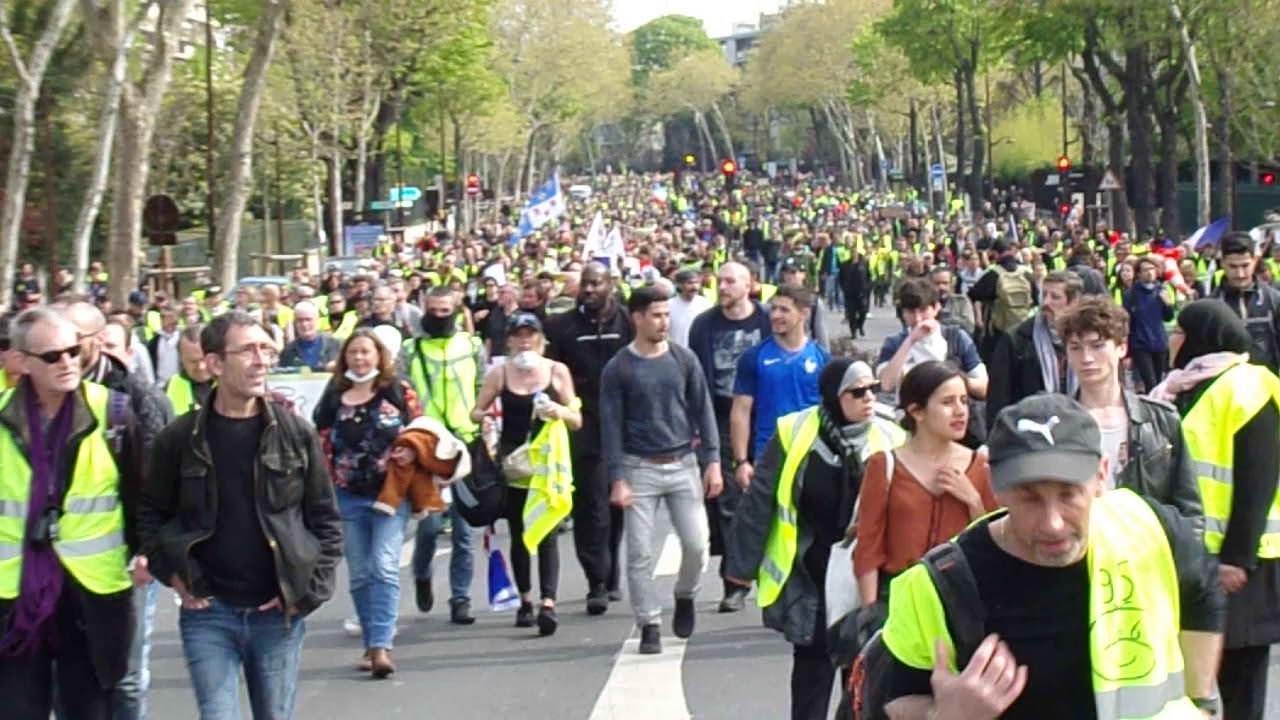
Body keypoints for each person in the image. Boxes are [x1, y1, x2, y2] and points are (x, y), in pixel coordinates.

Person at [874, 394, 1224, 720]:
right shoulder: (939, 585)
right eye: (1030, 498)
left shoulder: (1147, 527)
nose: (1053, 524)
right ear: (994, 485)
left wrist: (1200, 699)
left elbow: (1206, 586)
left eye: (1069, 494)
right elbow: (895, 699)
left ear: (1101, 476)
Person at [140, 311, 344, 720]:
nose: (261, 360)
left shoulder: (294, 433)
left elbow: (325, 522)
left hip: (277, 616)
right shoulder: (178, 439)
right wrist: (177, 578)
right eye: (247, 350)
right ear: (215, 363)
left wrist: (304, 593)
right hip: (208, 614)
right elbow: (150, 517)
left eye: (266, 349)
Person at [725, 359, 905, 720]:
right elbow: (760, 497)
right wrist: (740, 569)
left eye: (873, 389)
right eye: (857, 392)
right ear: (833, 397)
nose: (869, 398)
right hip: (811, 572)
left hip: (868, 574)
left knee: (863, 669)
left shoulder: (892, 436)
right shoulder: (795, 432)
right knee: (813, 667)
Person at [0, 307, 144, 720]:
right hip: (14, 600)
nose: (66, 362)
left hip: (92, 595)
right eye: (51, 356)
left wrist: (147, 552)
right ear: (23, 362)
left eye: (73, 350)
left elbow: (141, 493)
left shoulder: (112, 412)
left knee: (90, 710)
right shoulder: (2, 416)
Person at [1151, 299, 1280, 719]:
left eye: (1178, 331)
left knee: (1241, 681)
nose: (1172, 339)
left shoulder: (1248, 385)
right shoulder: (1188, 384)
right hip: (1198, 556)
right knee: (1201, 674)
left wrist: (1236, 558)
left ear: (1199, 335)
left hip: (1242, 561)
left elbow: (1257, 478)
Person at [601, 285, 722, 654]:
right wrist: (618, 477)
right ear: (637, 317)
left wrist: (712, 461)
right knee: (639, 552)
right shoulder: (619, 367)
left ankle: (685, 594)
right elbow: (610, 425)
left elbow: (704, 410)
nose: (663, 322)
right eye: (656, 315)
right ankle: (649, 622)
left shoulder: (684, 359)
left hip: (683, 462)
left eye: (667, 314)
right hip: (639, 468)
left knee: (697, 545)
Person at [313, 329, 420, 678]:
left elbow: (422, 431)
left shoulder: (397, 390)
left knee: (384, 566)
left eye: (366, 352)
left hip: (390, 493)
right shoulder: (335, 394)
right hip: (346, 495)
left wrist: (410, 448)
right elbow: (319, 436)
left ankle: (381, 647)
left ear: (379, 356)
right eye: (353, 353)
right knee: (360, 574)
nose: (359, 359)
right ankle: (370, 642)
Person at [854, 362, 998, 611]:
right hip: (899, 601)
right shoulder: (885, 464)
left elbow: (996, 541)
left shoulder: (981, 465)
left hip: (962, 602)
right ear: (917, 412)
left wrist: (973, 501)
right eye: (947, 402)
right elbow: (868, 547)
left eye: (964, 401)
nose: (960, 411)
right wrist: (869, 616)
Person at [472, 311, 581, 636]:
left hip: (547, 464)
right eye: (518, 335)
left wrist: (559, 411)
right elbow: (476, 410)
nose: (524, 341)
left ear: (541, 339)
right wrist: (485, 418)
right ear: (508, 340)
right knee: (520, 533)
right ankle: (525, 599)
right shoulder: (500, 373)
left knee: (546, 530)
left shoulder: (556, 371)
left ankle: (549, 602)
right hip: (513, 463)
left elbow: (577, 419)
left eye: (530, 335)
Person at [1056, 297, 1202, 523]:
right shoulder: (1055, 423)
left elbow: (1189, 508)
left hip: (1146, 546)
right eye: (1076, 348)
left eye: (1097, 346)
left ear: (1121, 348)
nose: (1086, 358)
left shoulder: (1161, 419)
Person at [544, 262, 634, 612]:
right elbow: (551, 375)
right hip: (584, 425)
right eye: (585, 284)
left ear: (610, 284)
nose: (590, 290)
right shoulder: (563, 327)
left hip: (624, 423)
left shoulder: (626, 323)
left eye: (597, 283)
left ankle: (611, 575)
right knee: (591, 504)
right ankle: (596, 580)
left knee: (617, 503)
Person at [687, 262, 772, 612]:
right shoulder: (703, 325)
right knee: (728, 502)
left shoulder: (767, 320)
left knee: (770, 499)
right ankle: (734, 582)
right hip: (720, 418)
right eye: (719, 281)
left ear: (749, 285)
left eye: (730, 281)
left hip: (765, 417)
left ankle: (771, 576)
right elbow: (698, 380)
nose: (722, 286)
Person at [400, 287, 480, 625]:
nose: (438, 316)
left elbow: (482, 388)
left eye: (445, 310)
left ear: (457, 310)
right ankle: (422, 572)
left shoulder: (471, 346)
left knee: (464, 530)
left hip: (463, 443)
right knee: (430, 528)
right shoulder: (411, 349)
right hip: (426, 446)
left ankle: (460, 598)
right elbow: (401, 391)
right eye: (433, 310)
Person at [731, 284, 829, 496]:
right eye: (773, 309)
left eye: (784, 310)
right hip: (768, 454)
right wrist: (741, 461)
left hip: (811, 454)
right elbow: (741, 410)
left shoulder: (822, 359)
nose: (775, 315)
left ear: (804, 313)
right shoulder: (754, 357)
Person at [985, 269, 1083, 427]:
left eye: (1055, 297)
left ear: (1074, 302)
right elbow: (998, 398)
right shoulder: (1017, 339)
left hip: (1078, 429)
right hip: (1030, 433)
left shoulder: (1087, 340)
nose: (1046, 303)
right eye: (1044, 295)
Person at [876, 278, 987, 402]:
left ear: (936, 308)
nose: (918, 319)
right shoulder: (894, 343)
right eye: (911, 312)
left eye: (923, 310)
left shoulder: (957, 338)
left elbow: (983, 387)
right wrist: (910, 341)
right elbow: (886, 384)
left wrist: (952, 378)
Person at [1212, 231, 1280, 374]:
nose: (1240, 274)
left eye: (1245, 265)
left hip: (1268, 387)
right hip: (1226, 390)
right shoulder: (1210, 306)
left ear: (1255, 261)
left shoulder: (1274, 300)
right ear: (1222, 263)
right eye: (1233, 267)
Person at [1122, 256, 1176, 392]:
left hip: (1159, 342)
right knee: (1150, 383)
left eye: (1152, 269)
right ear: (1139, 274)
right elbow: (1128, 323)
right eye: (1145, 270)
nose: (1149, 273)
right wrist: (1127, 353)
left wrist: (1168, 304)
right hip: (1140, 344)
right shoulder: (1131, 294)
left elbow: (1168, 317)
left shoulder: (1162, 290)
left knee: (1159, 381)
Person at [163, 324, 214, 415]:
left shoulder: (232, 382)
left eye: (203, 359)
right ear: (181, 358)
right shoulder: (171, 387)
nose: (201, 367)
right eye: (193, 361)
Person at [278, 301, 340, 371]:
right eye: (300, 320)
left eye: (308, 319)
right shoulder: (288, 351)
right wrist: (324, 368)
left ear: (317, 320)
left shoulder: (336, 345)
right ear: (294, 322)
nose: (304, 324)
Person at [667, 269, 712, 348]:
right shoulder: (669, 305)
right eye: (690, 283)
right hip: (677, 351)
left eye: (696, 283)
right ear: (679, 285)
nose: (694, 287)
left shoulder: (706, 304)